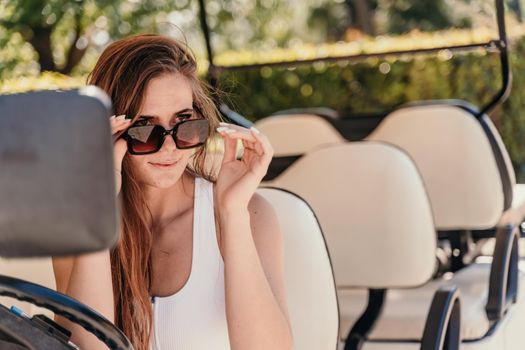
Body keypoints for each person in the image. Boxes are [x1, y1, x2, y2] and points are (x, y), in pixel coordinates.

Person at [52, 34, 292, 350]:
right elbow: (86, 347)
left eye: (184, 124)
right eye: (145, 129)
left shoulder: (252, 214)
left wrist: (232, 215)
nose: (169, 147)